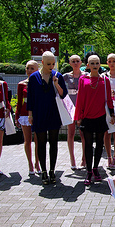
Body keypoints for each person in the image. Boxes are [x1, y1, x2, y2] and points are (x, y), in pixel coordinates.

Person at [27, 51, 68, 185]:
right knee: (41, 142)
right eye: (48, 63)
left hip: (54, 113)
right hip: (39, 114)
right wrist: (30, 114)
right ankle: (43, 171)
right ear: (42, 63)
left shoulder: (58, 75)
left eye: (53, 63)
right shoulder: (33, 77)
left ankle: (52, 170)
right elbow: (30, 98)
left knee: (53, 142)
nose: (51, 66)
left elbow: (63, 95)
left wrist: (56, 83)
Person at [74, 55, 115, 186]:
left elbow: (109, 98)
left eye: (97, 63)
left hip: (101, 116)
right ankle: (89, 172)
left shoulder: (105, 80)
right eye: (92, 63)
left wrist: (113, 114)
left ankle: (96, 169)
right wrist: (78, 116)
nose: (95, 65)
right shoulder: (82, 79)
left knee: (99, 145)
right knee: (87, 145)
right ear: (88, 65)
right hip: (87, 117)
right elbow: (80, 98)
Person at [16, 60, 40, 175]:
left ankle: (37, 163)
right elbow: (19, 102)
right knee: (27, 140)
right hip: (24, 114)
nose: (29, 71)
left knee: (38, 140)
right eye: (28, 68)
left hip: (37, 113)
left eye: (32, 68)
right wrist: (17, 116)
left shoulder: (40, 83)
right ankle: (30, 163)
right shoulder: (21, 84)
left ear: (37, 69)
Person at [63, 55, 87, 170]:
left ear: (81, 62)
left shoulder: (85, 76)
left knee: (83, 134)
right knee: (71, 133)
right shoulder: (66, 76)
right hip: (70, 108)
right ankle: (72, 159)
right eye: (73, 61)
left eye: (77, 61)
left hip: (82, 108)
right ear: (70, 63)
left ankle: (84, 159)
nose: (76, 63)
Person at [102, 53, 115, 170]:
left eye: (114, 61)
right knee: (107, 133)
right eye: (109, 61)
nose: (112, 63)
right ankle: (109, 157)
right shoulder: (103, 76)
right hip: (106, 107)